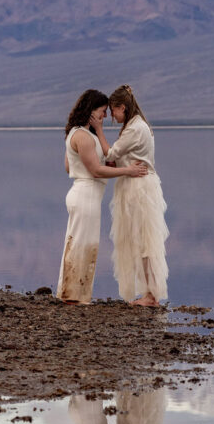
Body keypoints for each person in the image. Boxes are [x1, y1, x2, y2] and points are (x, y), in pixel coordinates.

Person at [57, 89, 147, 305]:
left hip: (84, 194)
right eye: (102, 111)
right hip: (86, 195)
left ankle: (71, 293)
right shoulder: (83, 136)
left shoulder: (81, 134)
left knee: (77, 242)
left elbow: (70, 165)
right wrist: (128, 172)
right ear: (91, 111)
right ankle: (74, 297)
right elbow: (96, 171)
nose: (105, 116)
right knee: (82, 245)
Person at [92, 84, 169, 307]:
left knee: (145, 241)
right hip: (135, 186)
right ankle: (148, 292)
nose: (111, 117)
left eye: (113, 111)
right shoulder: (135, 125)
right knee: (140, 240)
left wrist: (98, 130)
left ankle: (151, 295)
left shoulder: (135, 128)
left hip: (139, 189)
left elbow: (112, 153)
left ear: (122, 107)